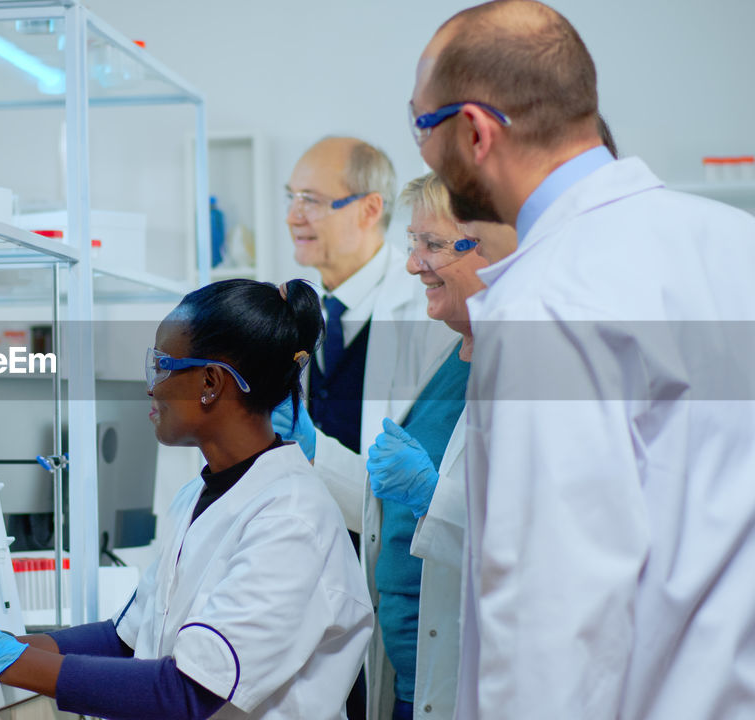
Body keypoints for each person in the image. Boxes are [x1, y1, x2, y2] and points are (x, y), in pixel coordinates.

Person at [410, 2, 755, 717]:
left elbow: (551, 624)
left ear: (474, 131)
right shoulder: (734, 241)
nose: (423, 153)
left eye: (422, 126)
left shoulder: (548, 298)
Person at [0, 278, 374, 720]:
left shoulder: (291, 521)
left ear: (210, 382)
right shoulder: (200, 496)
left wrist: (10, 662)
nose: (151, 387)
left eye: (162, 365)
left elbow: (187, 695)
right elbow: (126, 639)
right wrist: (4, 644)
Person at [277, 139, 457, 720]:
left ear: (369, 208)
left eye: (311, 199)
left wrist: (310, 449)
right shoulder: (295, 312)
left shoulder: (434, 317)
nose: (293, 214)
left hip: (391, 602)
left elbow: (393, 502)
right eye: (290, 198)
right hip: (309, 593)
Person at [361, 173, 490, 720]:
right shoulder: (452, 354)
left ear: (494, 247)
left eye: (432, 245)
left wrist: (432, 494)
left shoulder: (517, 368)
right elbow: (390, 507)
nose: (414, 264)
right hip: (410, 675)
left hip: (463, 675)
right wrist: (312, 452)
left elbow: (530, 541)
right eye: (413, 244)